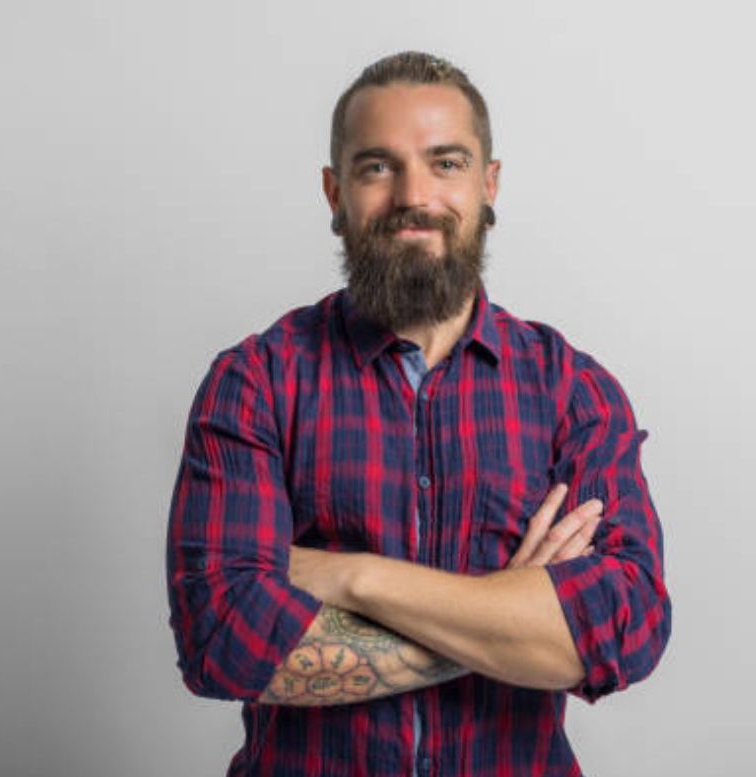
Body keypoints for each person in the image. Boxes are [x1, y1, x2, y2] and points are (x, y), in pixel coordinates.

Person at [166, 51, 671, 777]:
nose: (414, 195)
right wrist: (511, 616)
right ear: (334, 193)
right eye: (378, 167)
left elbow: (624, 631)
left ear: (487, 184)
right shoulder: (255, 382)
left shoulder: (573, 391)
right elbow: (223, 642)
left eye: (446, 163)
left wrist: (354, 578)